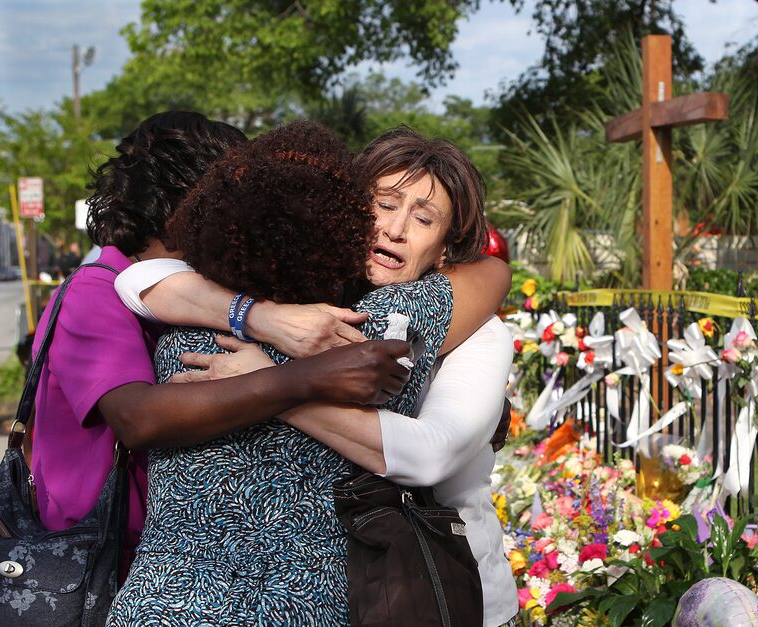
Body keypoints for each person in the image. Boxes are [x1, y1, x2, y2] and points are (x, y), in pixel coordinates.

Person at [113, 127, 517, 626]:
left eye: (423, 217)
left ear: (444, 252)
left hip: (166, 605)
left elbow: (430, 452)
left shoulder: (197, 319)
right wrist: (262, 320)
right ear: (344, 208)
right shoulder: (264, 308)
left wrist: (270, 383)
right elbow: (139, 281)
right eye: (384, 205)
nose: (395, 229)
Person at [28, 109, 413, 615]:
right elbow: (139, 419)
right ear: (188, 196)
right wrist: (302, 378)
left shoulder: (202, 284)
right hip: (93, 562)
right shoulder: (97, 291)